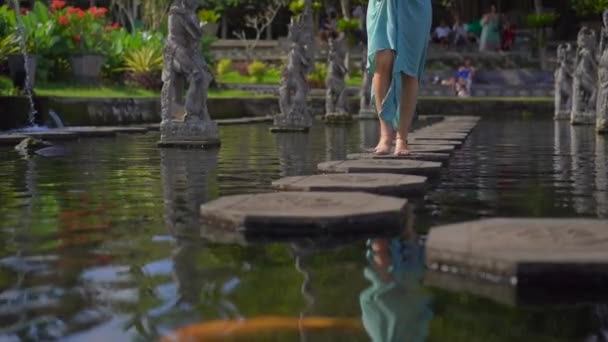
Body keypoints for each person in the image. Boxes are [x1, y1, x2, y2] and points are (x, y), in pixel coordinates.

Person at [367, 0, 433, 156]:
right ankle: (385, 135)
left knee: (409, 68)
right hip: (383, 4)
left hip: (415, 6)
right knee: (382, 60)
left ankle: (402, 138)